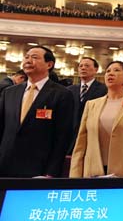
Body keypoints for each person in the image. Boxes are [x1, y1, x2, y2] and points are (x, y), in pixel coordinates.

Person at [0, 46, 74, 177]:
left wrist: (51, 172)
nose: (28, 60)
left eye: (34, 57)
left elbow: (62, 137)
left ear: (49, 64)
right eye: (26, 57)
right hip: (5, 164)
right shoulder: (9, 92)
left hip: (38, 167)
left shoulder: (62, 94)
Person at [70, 61, 123, 177]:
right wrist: (75, 175)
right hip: (92, 171)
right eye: (108, 71)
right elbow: (80, 144)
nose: (110, 74)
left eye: (116, 70)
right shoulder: (91, 105)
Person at [67, 57, 107, 153]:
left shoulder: (104, 90)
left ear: (96, 69)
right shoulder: (69, 90)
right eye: (81, 66)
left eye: (87, 66)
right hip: (70, 136)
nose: (83, 68)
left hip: (92, 134)